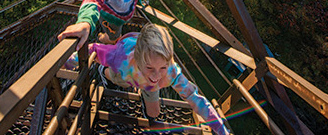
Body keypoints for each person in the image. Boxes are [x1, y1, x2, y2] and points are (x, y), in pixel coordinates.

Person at [65, 23, 231, 135]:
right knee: (115, 77)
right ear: (138, 60)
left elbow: (195, 98)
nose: (156, 76)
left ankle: (150, 116)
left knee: (154, 111)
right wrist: (70, 61)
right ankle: (104, 71)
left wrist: (220, 129)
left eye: (162, 68)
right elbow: (93, 49)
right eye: (150, 68)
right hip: (127, 70)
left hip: (143, 78)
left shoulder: (170, 73)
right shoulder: (120, 57)